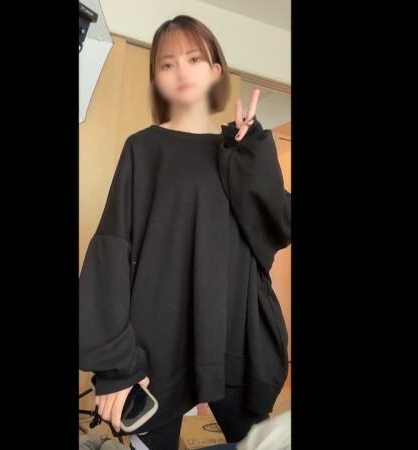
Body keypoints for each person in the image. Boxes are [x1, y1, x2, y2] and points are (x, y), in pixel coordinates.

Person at [79, 15, 291, 450]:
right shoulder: (143, 148)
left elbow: (276, 226)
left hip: (236, 337)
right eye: (167, 63)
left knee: (258, 442)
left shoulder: (240, 152)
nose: (181, 71)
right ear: (156, 78)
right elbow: (111, 249)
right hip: (159, 345)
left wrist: (253, 155)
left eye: (194, 59)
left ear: (215, 70)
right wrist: (116, 364)